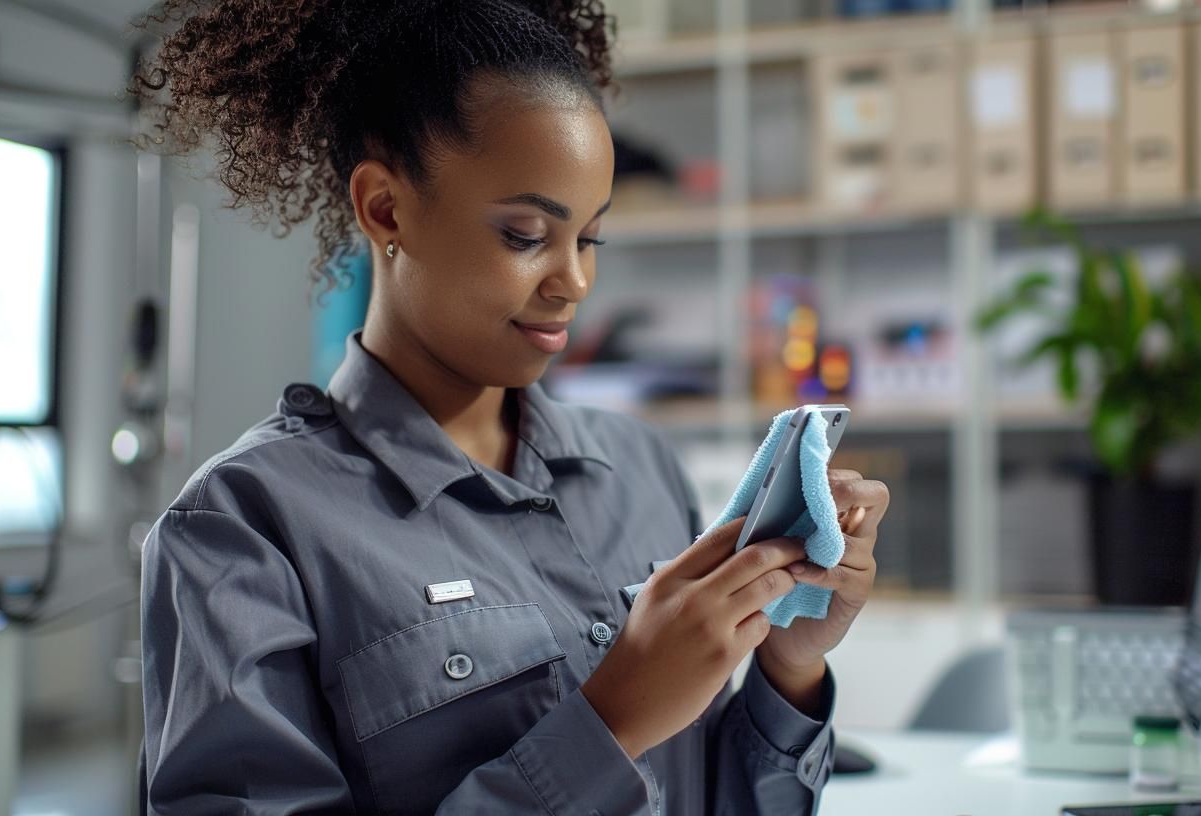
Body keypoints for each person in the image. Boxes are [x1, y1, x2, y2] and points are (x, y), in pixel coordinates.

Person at [128, 1, 890, 813]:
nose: (574, 282)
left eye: (589, 239)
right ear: (386, 208)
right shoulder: (243, 525)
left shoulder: (636, 467)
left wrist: (790, 669)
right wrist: (611, 720)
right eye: (527, 235)